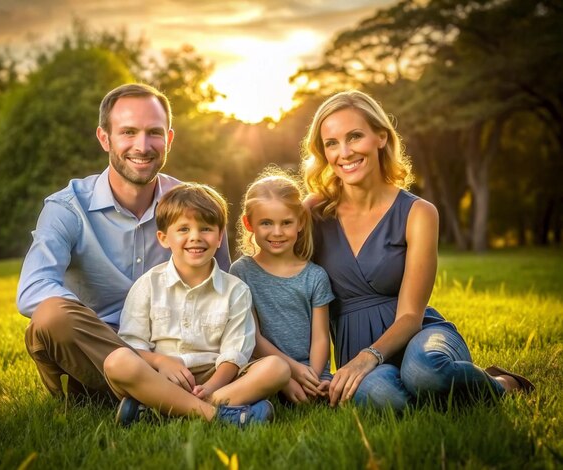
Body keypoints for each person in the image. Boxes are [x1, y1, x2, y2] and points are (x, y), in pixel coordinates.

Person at [302, 90, 535, 410]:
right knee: (390, 401)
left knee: (425, 373)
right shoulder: (314, 212)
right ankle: (446, 396)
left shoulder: (418, 212)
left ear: (380, 137)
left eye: (355, 136)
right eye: (331, 143)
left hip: (420, 336)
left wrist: (368, 357)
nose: (344, 152)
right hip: (354, 350)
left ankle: (500, 384)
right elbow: (271, 265)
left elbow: (411, 315)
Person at [16, 83, 230, 400]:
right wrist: (143, 356)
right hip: (96, 349)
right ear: (105, 138)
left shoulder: (196, 206)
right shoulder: (67, 208)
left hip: (177, 345)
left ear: (169, 139)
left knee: (254, 364)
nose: (142, 146)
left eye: (154, 132)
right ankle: (178, 398)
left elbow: (225, 287)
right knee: (51, 317)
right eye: (128, 132)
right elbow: (32, 290)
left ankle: (138, 398)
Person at [104, 183, 290, 427]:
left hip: (217, 378)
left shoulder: (235, 290)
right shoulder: (148, 285)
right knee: (117, 362)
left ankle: (162, 411)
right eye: (183, 229)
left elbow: (235, 354)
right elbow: (132, 344)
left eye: (206, 228)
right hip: (162, 378)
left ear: (219, 236)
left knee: (277, 368)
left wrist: (210, 388)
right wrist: (161, 362)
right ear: (163, 238)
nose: (195, 237)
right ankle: (221, 416)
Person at [230, 170, 334, 405]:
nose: (277, 232)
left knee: (331, 394)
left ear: (300, 222)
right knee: (262, 385)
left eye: (286, 223)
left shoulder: (315, 276)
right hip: (263, 366)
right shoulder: (241, 272)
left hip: (310, 370)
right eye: (266, 223)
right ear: (249, 224)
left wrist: (313, 378)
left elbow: (320, 339)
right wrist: (291, 373)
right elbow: (252, 338)